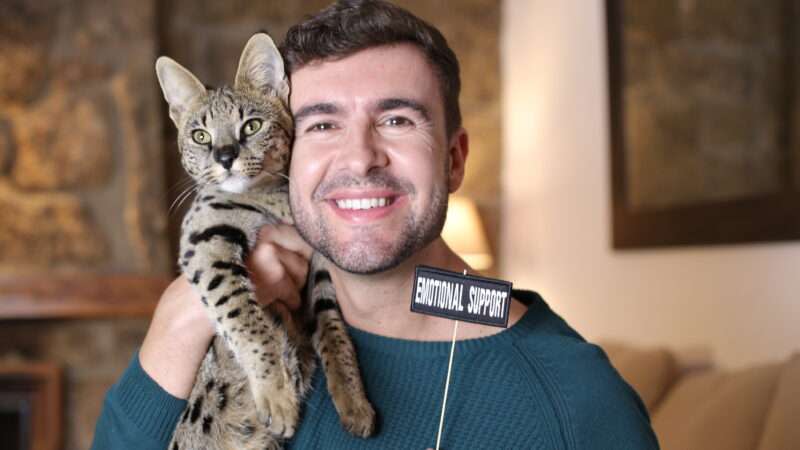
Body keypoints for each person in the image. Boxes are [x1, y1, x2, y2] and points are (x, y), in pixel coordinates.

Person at [92, 1, 660, 449]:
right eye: (321, 126)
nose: (360, 158)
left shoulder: (578, 405)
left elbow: (487, 314)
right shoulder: (198, 331)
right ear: (288, 155)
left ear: (455, 160)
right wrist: (179, 319)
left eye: (396, 119)